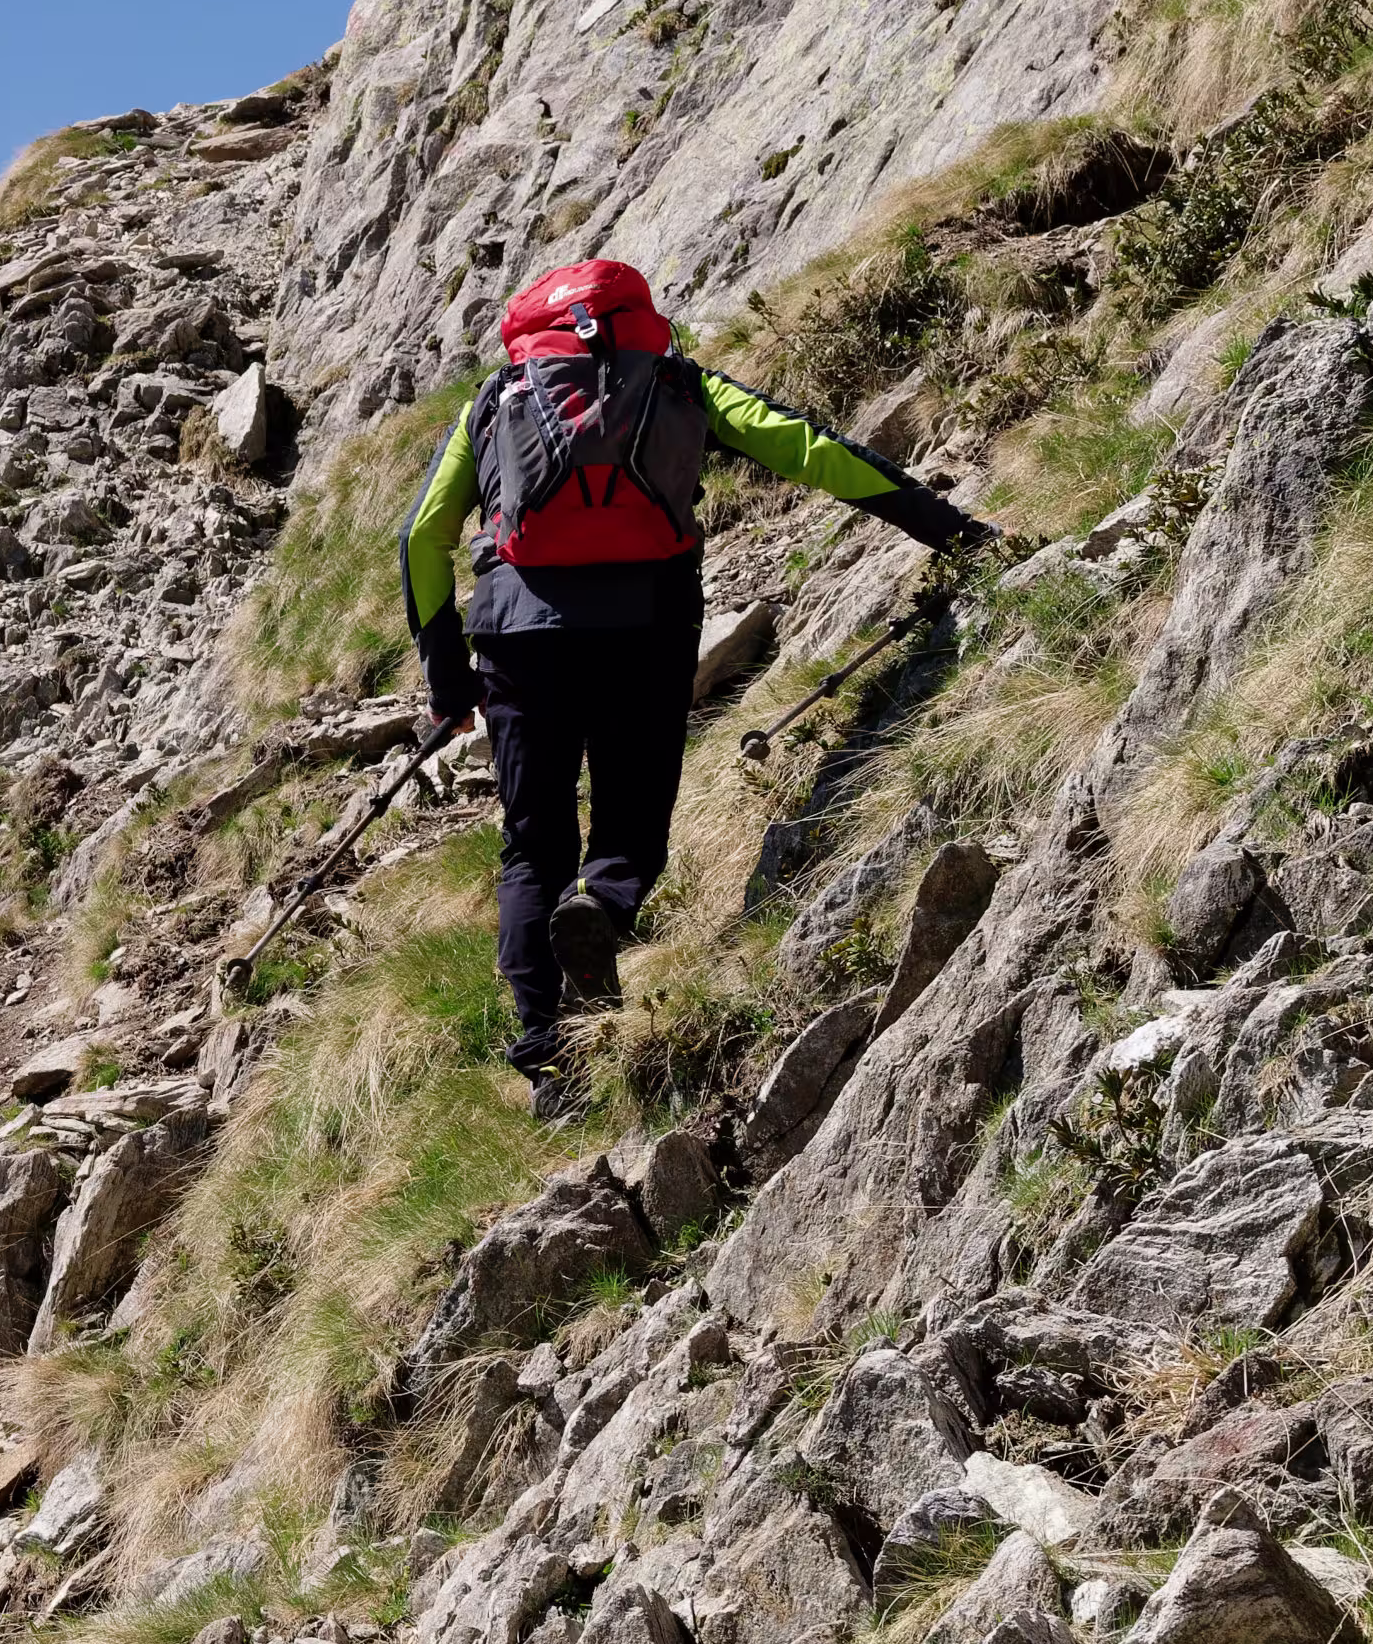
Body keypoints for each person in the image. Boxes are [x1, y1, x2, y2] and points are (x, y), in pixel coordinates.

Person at [398, 256, 996, 1076]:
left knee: (533, 845)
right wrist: (948, 530)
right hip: (647, 622)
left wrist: (446, 681)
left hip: (519, 631)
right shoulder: (679, 383)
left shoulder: (496, 401)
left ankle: (549, 1056)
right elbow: (806, 447)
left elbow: (423, 536)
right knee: (631, 816)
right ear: (634, 314)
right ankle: (603, 904)